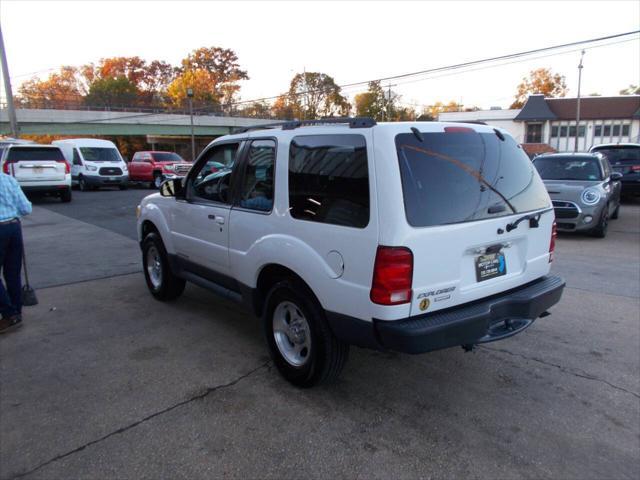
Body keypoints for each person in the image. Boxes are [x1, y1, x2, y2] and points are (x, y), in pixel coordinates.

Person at [0, 170, 32, 333]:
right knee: (12, 273)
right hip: (13, 227)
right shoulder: (8, 180)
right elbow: (26, 208)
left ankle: (9, 313)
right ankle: (16, 311)